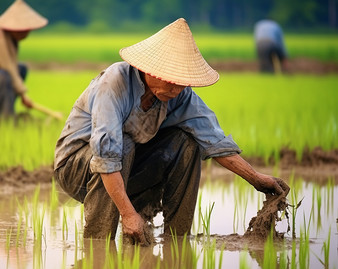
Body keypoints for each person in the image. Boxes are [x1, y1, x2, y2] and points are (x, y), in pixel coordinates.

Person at [54, 18, 290, 246]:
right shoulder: (114, 84)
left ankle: (176, 240)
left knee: (187, 142)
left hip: (126, 167)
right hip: (76, 170)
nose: (177, 90)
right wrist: (128, 214)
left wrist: (256, 179)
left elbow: (215, 141)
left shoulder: (179, 95)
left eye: (182, 83)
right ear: (152, 71)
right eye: (172, 82)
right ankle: (97, 244)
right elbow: (106, 157)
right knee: (122, 145)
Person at [0, 0, 62, 119]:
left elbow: (13, 67)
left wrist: (22, 94)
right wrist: (23, 94)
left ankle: (1, 110)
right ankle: (7, 118)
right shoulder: (0, 39)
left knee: (21, 69)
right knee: (4, 75)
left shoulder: (11, 39)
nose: (27, 33)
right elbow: (8, 68)